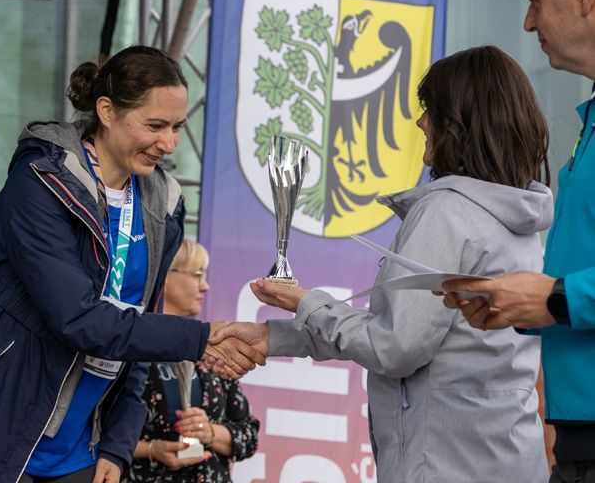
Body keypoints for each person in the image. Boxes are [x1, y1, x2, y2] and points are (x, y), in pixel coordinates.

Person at [0, 46, 263, 483]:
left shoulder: (164, 203)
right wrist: (202, 337)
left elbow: (139, 329)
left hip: (82, 450)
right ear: (106, 110)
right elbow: (77, 317)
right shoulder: (39, 184)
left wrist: (119, 444)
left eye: (178, 127)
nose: (169, 143)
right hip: (1, 430)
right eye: (155, 125)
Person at [210, 46, 553, 482]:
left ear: (458, 122)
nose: (420, 122)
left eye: (430, 109)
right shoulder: (521, 218)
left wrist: (307, 303)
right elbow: (409, 332)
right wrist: (271, 337)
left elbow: (395, 347)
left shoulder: (448, 212)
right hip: (508, 459)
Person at [441, 0, 595, 480]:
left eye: (534, 0)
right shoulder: (588, 121)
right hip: (577, 434)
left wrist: (553, 297)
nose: (528, 23)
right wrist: (524, 303)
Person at [126, 239, 260, 482]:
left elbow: (248, 435)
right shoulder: (130, 344)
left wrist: (209, 432)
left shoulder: (214, 347)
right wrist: (152, 450)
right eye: (197, 274)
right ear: (164, 276)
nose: (205, 286)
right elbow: (92, 436)